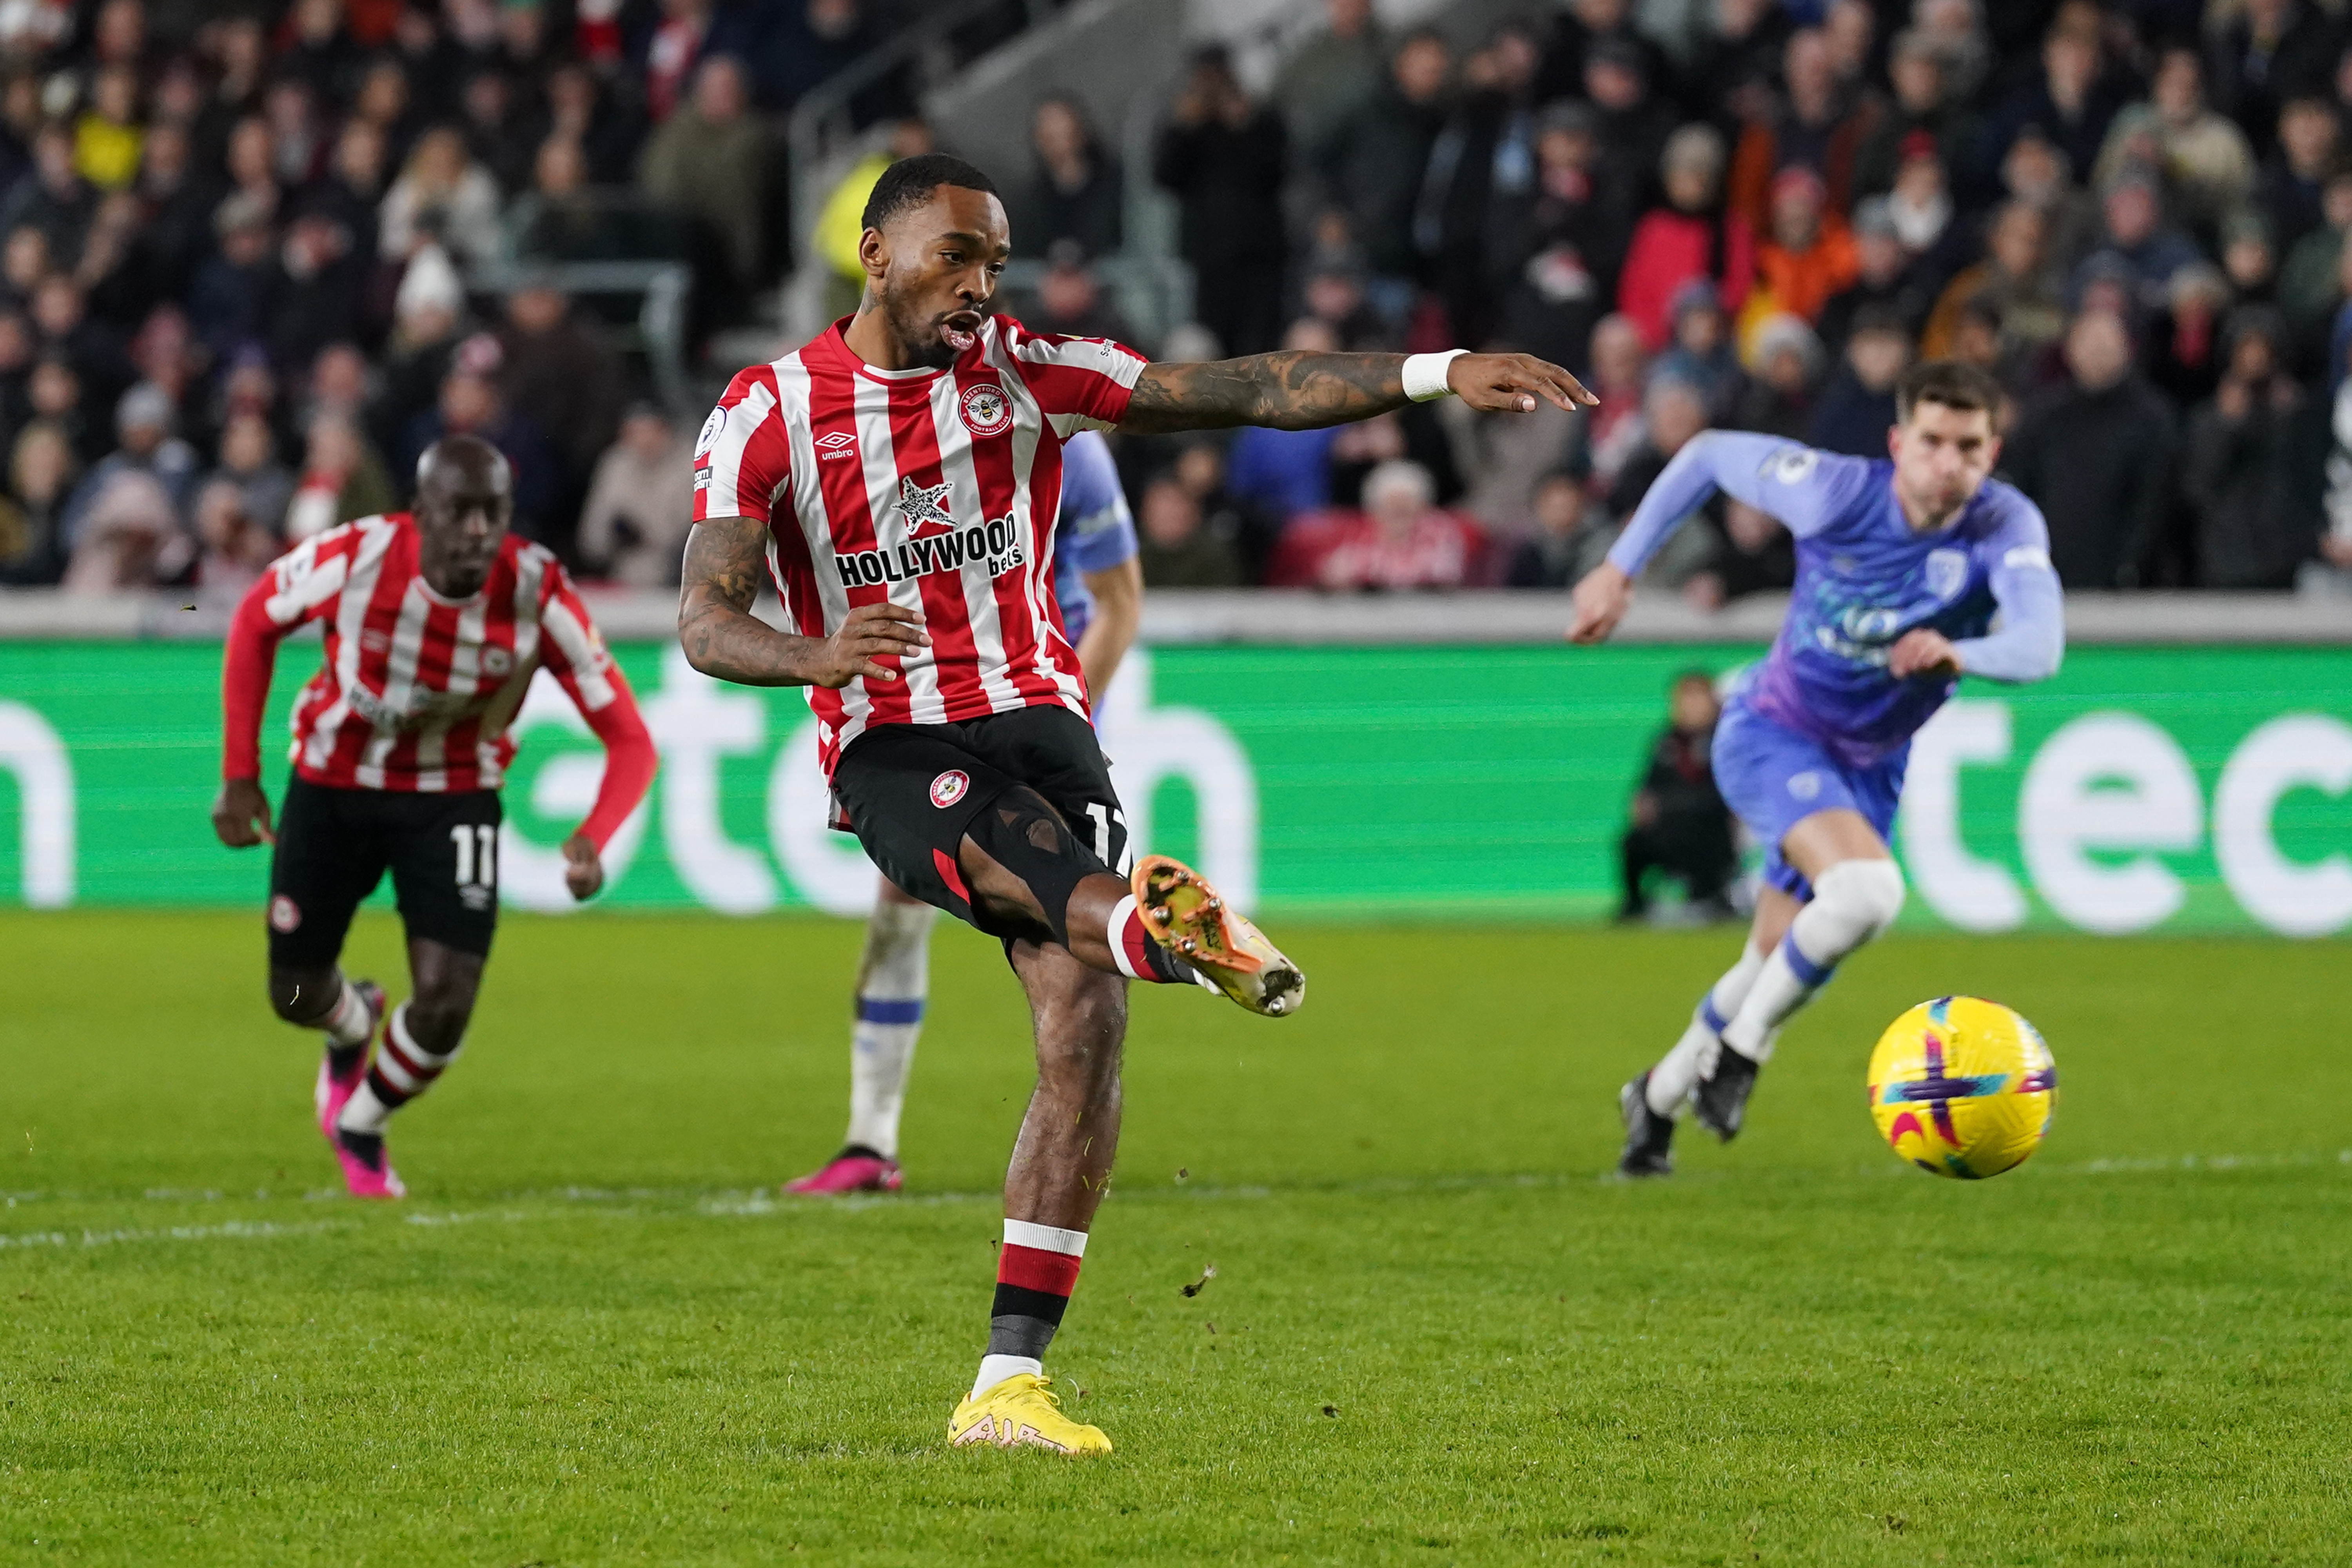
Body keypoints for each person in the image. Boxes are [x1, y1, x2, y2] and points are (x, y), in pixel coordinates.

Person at [678, 152, 1591, 1454]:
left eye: (995, 263)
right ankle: (1162, 928)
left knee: (1081, 1022)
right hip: (891, 736)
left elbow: (1235, 390)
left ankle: (1007, 1387)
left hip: (1044, 720)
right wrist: (810, 655)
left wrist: (1437, 372)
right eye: (956, 258)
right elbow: (706, 621)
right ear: (877, 257)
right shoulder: (767, 412)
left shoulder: (1029, 374)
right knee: (1035, 888)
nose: (981, 287)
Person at [1568, 360, 2063, 1178]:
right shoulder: (1833, 491)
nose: (1950, 463)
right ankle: (1742, 1052)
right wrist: (1619, 568)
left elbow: (2040, 644)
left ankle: (1654, 1100)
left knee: (1771, 956)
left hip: (1869, 765)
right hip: (1773, 730)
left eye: (1969, 447)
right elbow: (1706, 455)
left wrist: (1959, 649)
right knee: (1867, 892)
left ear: (1992, 449)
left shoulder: (2002, 525)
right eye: (1934, 442)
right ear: (1899, 442)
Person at [208, 436, 658, 1200]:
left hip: (454, 793)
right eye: (461, 512)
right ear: (422, 514)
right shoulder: (357, 556)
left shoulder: (537, 589)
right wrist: (240, 776)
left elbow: (630, 739)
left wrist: (592, 838)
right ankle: (354, 1021)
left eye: (495, 513)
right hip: (332, 782)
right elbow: (254, 620)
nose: (479, 531)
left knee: (449, 998)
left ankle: (364, 1120)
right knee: (292, 996)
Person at [784, 429, 1143, 1196]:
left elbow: (1118, 602)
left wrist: (1079, 716)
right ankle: (870, 1140)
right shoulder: (894, 431)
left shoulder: (1066, 443)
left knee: (1069, 949)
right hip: (936, 710)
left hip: (1038, 703)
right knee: (897, 903)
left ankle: (1066, 1140)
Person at [1619, 670, 1738, 922]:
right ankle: (1635, 905)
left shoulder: (1726, 739)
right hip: (1667, 832)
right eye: (1685, 698)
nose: (1691, 706)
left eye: (1698, 698)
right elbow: (1647, 787)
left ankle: (1714, 897)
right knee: (1633, 841)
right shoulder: (1666, 741)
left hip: (1709, 833)